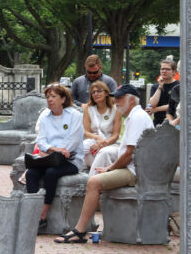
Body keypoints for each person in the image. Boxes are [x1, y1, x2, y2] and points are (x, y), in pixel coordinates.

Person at [55, 84, 153, 244]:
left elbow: (130, 153)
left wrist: (110, 168)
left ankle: (79, 230)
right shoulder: (136, 115)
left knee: (94, 182)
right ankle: (88, 219)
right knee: (103, 158)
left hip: (136, 171)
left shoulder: (137, 117)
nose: (116, 101)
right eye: (116, 98)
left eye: (120, 98)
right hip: (136, 166)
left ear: (132, 100)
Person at [26, 83, 84, 232]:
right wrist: (54, 149)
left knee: (51, 173)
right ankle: (33, 212)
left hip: (70, 160)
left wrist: (58, 150)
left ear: (63, 99)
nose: (49, 100)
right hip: (49, 157)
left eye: (53, 96)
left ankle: (43, 216)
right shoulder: (46, 116)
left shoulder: (75, 115)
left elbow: (73, 140)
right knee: (31, 174)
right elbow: (41, 139)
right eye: (48, 97)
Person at [82, 80, 120, 168]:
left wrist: (103, 143)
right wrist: (98, 138)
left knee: (101, 154)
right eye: (93, 92)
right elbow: (86, 132)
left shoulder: (116, 109)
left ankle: (102, 170)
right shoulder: (88, 108)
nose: (95, 94)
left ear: (106, 93)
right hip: (94, 140)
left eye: (99, 91)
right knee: (81, 147)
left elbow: (116, 135)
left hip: (110, 142)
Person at [147, 59, 179, 125]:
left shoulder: (179, 86)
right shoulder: (155, 86)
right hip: (158, 123)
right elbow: (152, 104)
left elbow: (175, 105)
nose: (164, 71)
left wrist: (156, 109)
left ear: (174, 71)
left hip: (174, 123)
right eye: (162, 69)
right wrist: (160, 87)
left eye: (167, 69)